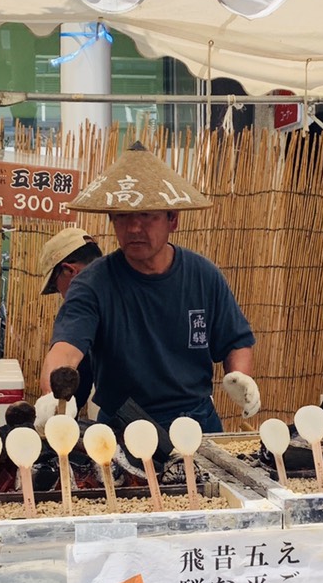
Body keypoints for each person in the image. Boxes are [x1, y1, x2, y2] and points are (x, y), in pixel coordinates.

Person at [39, 145, 258, 433]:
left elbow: (235, 341)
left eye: (147, 215)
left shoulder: (203, 275)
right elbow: (66, 350)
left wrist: (240, 376)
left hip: (195, 423)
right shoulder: (92, 284)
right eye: (123, 217)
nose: (134, 228)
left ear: (173, 220)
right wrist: (52, 397)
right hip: (122, 427)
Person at [37, 225, 101, 405]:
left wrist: (50, 402)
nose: (63, 295)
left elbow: (59, 363)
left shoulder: (82, 302)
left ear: (70, 270)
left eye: (58, 287)